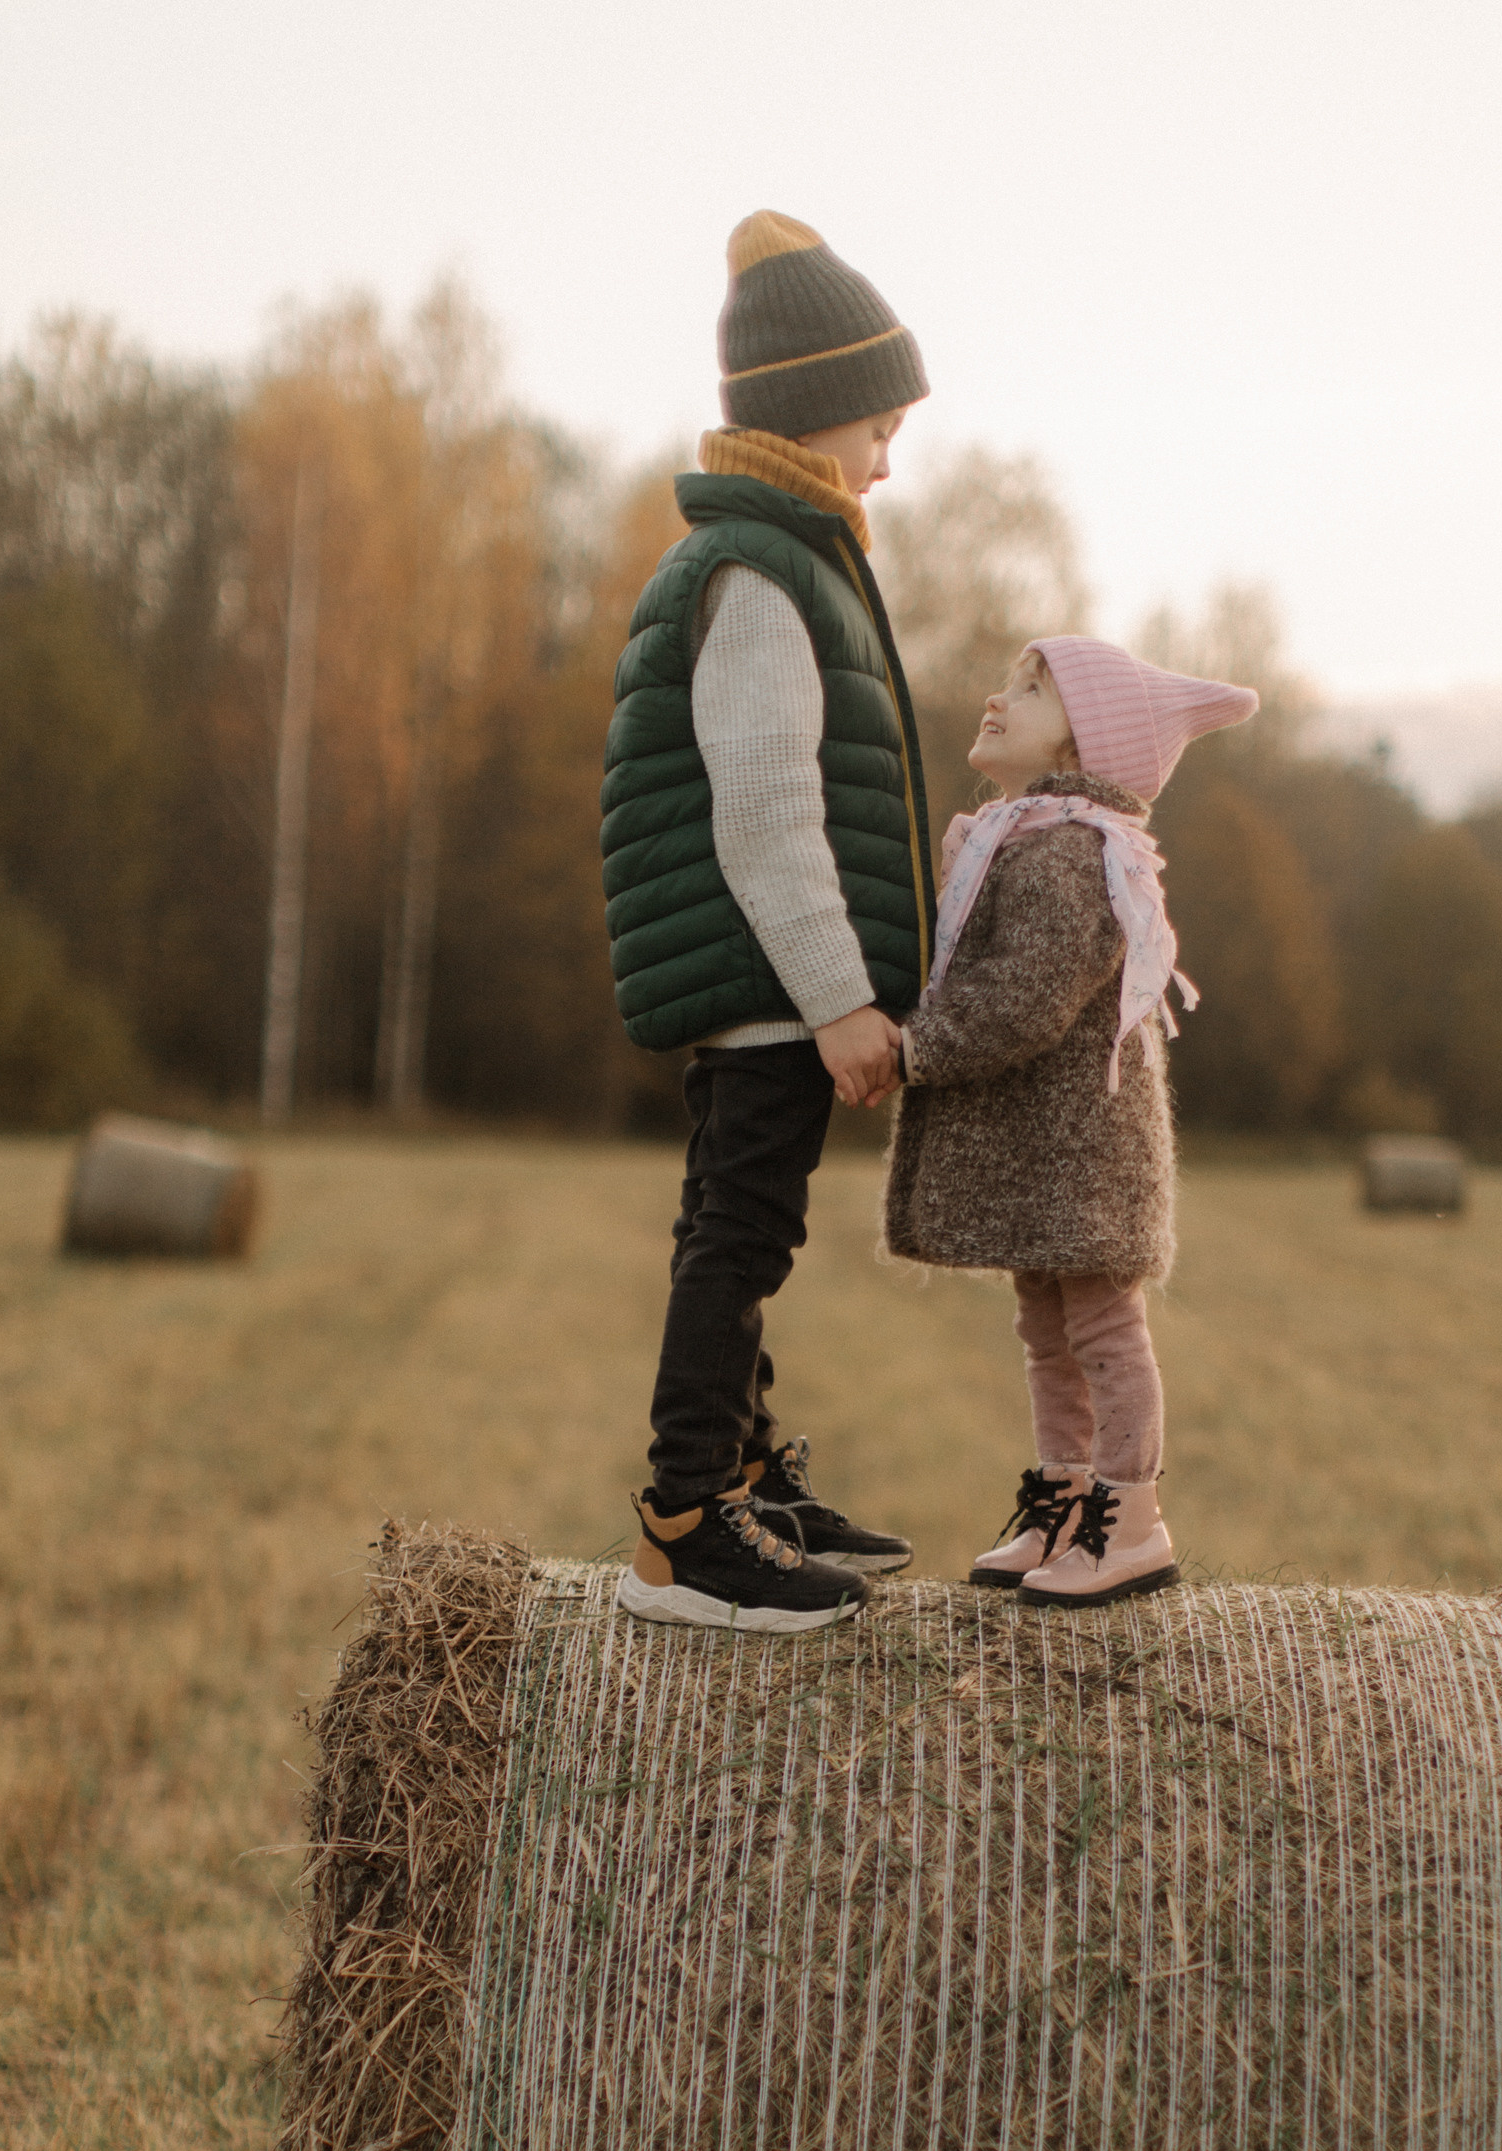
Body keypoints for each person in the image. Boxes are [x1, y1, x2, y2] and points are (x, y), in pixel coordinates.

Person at [602, 211, 935, 1633]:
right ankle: (686, 1521)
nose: (890, 452)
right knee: (739, 1235)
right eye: (879, 420)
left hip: (769, 981)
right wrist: (840, 995)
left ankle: (740, 1476)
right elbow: (763, 812)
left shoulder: (786, 557)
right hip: (771, 982)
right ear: (812, 414)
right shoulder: (756, 573)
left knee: (745, 1226)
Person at [882, 638, 1258, 1606]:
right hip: (1045, 1145)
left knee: (1098, 1326)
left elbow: (1026, 996)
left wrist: (911, 1046)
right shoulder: (1022, 836)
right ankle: (1063, 1498)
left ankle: (1130, 1517)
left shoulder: (1070, 848)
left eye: (1028, 690)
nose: (996, 699)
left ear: (1087, 741)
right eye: (1007, 681)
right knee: (1045, 1329)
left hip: (1081, 1150)